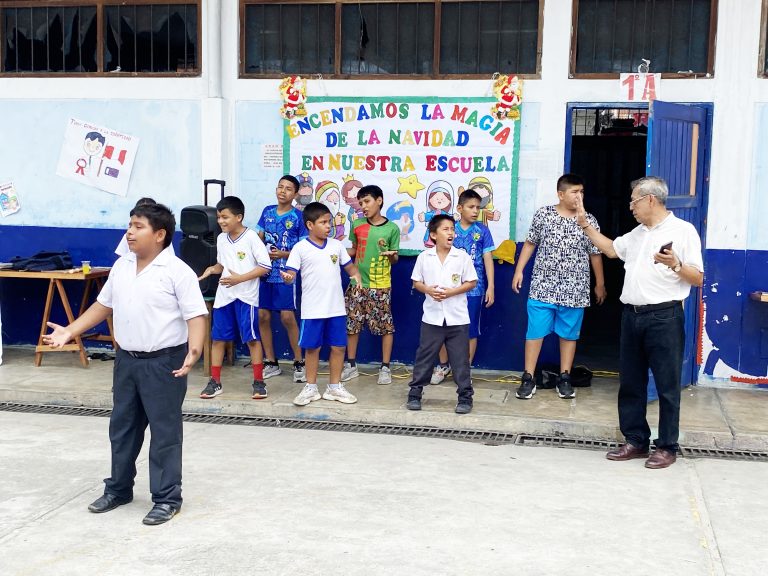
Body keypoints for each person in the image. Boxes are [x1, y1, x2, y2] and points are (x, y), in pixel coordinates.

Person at [43, 203, 207, 525]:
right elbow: (102, 306)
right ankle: (118, 489)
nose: (130, 232)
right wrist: (71, 331)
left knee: (164, 432)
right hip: (127, 361)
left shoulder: (177, 272)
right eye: (129, 225)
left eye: (138, 226)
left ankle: (166, 498)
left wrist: (195, 350)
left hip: (164, 363)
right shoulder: (122, 267)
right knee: (123, 430)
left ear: (159, 235)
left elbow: (196, 315)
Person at [577, 176, 703, 469]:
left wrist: (676, 264)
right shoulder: (637, 233)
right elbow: (610, 249)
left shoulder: (683, 231)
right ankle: (635, 439)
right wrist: (585, 225)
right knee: (631, 382)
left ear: (649, 199)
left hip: (665, 317)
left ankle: (667, 447)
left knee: (667, 386)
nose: (630, 206)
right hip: (632, 316)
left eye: (633, 200)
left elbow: (697, 278)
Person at [512, 174, 606, 400]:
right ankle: (528, 377)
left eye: (582, 192)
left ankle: (564, 377)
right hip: (542, 286)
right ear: (561, 194)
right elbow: (530, 243)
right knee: (534, 333)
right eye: (575, 192)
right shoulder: (544, 215)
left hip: (575, 289)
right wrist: (518, 270)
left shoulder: (589, 220)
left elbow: (596, 254)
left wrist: (600, 283)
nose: (579, 196)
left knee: (569, 335)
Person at [280, 202, 362, 406]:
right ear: (309, 224)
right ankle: (310, 388)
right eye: (323, 222)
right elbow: (291, 274)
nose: (328, 226)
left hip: (336, 308)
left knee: (338, 347)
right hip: (312, 309)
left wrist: (357, 277)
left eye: (330, 222)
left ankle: (334, 387)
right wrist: (288, 278)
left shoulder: (336, 246)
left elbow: (350, 268)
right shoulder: (300, 248)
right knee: (312, 348)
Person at [198, 196, 272, 400]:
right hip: (225, 297)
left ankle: (259, 382)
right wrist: (212, 269)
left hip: (246, 297)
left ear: (239, 217)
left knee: (252, 339)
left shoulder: (251, 238)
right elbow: (223, 265)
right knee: (218, 339)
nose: (221, 221)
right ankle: (215, 381)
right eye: (219, 217)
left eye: (225, 217)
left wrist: (240, 279)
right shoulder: (221, 239)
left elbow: (265, 266)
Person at [406, 214, 478, 414]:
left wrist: (451, 292)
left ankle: (465, 397)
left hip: (457, 318)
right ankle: (415, 393)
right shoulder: (424, 257)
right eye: (446, 229)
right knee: (425, 356)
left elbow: (471, 282)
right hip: (432, 317)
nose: (451, 233)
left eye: (452, 230)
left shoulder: (461, 256)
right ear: (433, 235)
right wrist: (428, 290)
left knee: (460, 359)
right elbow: (416, 282)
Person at [430, 189, 496, 385]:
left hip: (474, 289)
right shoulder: (450, 229)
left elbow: (487, 259)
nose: (475, 211)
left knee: (470, 330)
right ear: (459, 208)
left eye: (478, 207)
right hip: (448, 288)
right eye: (471, 207)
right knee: (443, 326)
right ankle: (443, 365)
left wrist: (491, 286)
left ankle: (464, 369)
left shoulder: (482, 230)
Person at [340, 185, 400, 385]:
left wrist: (392, 256)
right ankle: (351, 365)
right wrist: (333, 252)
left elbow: (395, 259)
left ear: (379, 200)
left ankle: (385, 367)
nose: (363, 206)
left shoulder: (392, 228)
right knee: (352, 325)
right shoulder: (356, 224)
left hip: (380, 284)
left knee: (385, 327)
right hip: (357, 283)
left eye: (367, 201)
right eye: (360, 203)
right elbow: (354, 251)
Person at [255, 175, 307, 383]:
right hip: (265, 272)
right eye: (280, 187)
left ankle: (299, 362)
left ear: (295, 195)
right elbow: (258, 239)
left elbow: (303, 247)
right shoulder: (267, 212)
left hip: (286, 273)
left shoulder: (298, 217)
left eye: (288, 189)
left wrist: (284, 255)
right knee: (262, 316)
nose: (282, 191)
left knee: (287, 317)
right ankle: (271, 362)